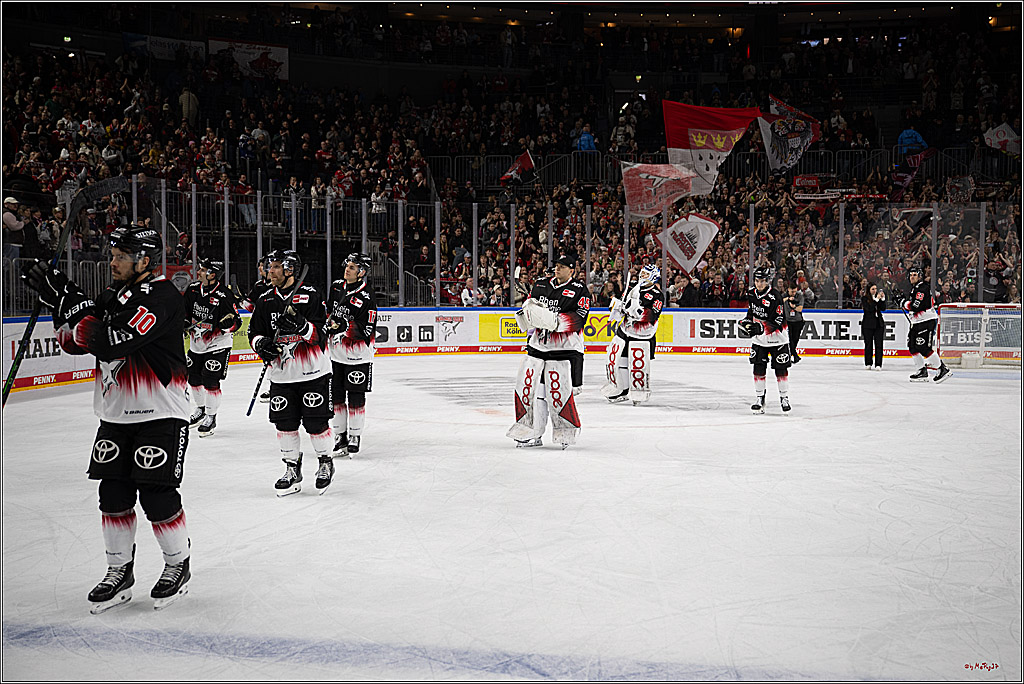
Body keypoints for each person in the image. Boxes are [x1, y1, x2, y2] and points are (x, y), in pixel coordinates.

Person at [22, 224, 192, 613]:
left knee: (156, 494)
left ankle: (177, 564)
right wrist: (58, 301)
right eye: (112, 256)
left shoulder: (163, 296)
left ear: (144, 261)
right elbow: (74, 341)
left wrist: (73, 301)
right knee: (112, 495)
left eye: (120, 257)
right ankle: (119, 571)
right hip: (115, 414)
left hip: (161, 412)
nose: (112, 263)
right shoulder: (111, 296)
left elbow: (110, 340)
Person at [248, 249, 335, 494]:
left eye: (276, 266)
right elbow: (254, 332)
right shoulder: (265, 299)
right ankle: (292, 468)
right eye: (269, 266)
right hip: (282, 376)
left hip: (313, 373)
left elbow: (321, 335)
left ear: (289, 270)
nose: (270, 271)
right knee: (284, 424)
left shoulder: (311, 295)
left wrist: (302, 326)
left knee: (316, 423)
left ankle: (325, 462)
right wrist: (261, 345)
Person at [507, 254, 589, 449]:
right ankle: (531, 431)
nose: (557, 269)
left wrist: (552, 320)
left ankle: (565, 431)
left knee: (559, 393)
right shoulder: (541, 284)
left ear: (571, 270)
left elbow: (579, 318)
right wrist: (528, 313)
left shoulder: (580, 290)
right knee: (532, 391)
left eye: (562, 266)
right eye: (556, 265)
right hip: (538, 346)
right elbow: (530, 309)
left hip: (565, 349)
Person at [325, 252, 377, 459]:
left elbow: (367, 329)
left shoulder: (367, 296)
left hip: (358, 356)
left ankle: (355, 435)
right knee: (336, 396)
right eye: (347, 265)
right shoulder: (336, 287)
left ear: (361, 272)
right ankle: (340, 436)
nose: (347, 269)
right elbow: (328, 312)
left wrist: (345, 327)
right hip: (335, 354)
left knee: (356, 396)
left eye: (353, 267)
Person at [183, 258, 241, 436]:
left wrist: (228, 325)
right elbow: (184, 311)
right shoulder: (193, 289)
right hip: (197, 344)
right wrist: (183, 322)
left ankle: (211, 416)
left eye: (203, 270)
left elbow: (237, 322)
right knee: (193, 378)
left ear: (212, 274)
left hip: (218, 344)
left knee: (210, 380)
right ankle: (200, 409)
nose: (199, 272)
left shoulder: (224, 295)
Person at [601, 264, 664, 405]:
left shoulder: (657, 294)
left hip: (642, 336)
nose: (642, 276)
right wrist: (617, 307)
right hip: (625, 331)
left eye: (646, 274)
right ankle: (623, 390)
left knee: (638, 364)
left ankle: (638, 390)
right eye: (642, 273)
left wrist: (635, 312)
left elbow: (652, 315)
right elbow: (623, 302)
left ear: (653, 277)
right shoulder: (634, 287)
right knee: (620, 360)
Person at [739, 265, 792, 414]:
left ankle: (784, 398)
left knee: (781, 369)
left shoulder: (775, 296)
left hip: (778, 339)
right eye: (757, 281)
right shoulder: (751, 293)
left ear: (768, 281)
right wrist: (747, 320)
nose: (759, 284)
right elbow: (752, 311)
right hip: (759, 340)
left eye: (762, 281)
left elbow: (778, 320)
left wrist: (761, 328)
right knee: (758, 368)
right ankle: (759, 398)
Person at [902, 266, 951, 383]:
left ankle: (942, 369)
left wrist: (902, 302)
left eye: (915, 275)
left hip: (926, 321)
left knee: (923, 347)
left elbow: (915, 306)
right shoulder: (915, 288)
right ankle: (921, 371)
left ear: (920, 276)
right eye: (911, 275)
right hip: (917, 321)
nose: (912, 277)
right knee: (912, 346)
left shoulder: (922, 288)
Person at [861, 282, 887, 370]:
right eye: (873, 289)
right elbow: (869, 309)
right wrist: (876, 300)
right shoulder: (864, 299)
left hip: (878, 324)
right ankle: (868, 362)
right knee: (868, 344)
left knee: (879, 344)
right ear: (869, 290)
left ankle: (878, 364)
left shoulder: (878, 298)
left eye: (876, 289)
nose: (875, 291)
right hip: (868, 324)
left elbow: (883, 308)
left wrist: (882, 299)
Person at [784, 281, 805, 363]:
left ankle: (792, 354)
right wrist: (787, 299)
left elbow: (800, 309)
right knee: (789, 339)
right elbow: (778, 303)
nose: (793, 293)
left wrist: (794, 306)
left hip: (798, 321)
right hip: (787, 321)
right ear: (788, 289)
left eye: (795, 291)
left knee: (795, 339)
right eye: (792, 291)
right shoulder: (784, 296)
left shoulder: (799, 296)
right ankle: (794, 355)